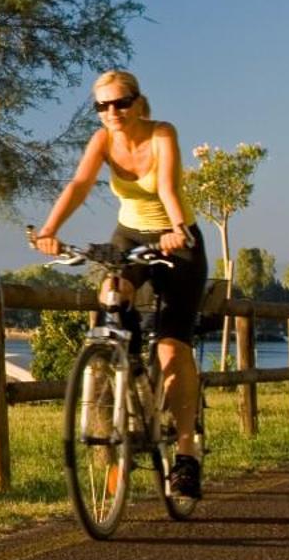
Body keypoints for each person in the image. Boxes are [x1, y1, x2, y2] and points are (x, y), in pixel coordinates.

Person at [30, 69, 209, 498]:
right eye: (102, 105)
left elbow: (166, 186)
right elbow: (78, 184)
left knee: (171, 347)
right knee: (112, 294)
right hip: (128, 237)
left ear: (136, 102)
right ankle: (122, 363)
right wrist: (47, 231)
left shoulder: (162, 134)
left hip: (177, 241)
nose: (112, 112)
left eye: (120, 103)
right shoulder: (102, 141)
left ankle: (186, 454)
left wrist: (177, 228)